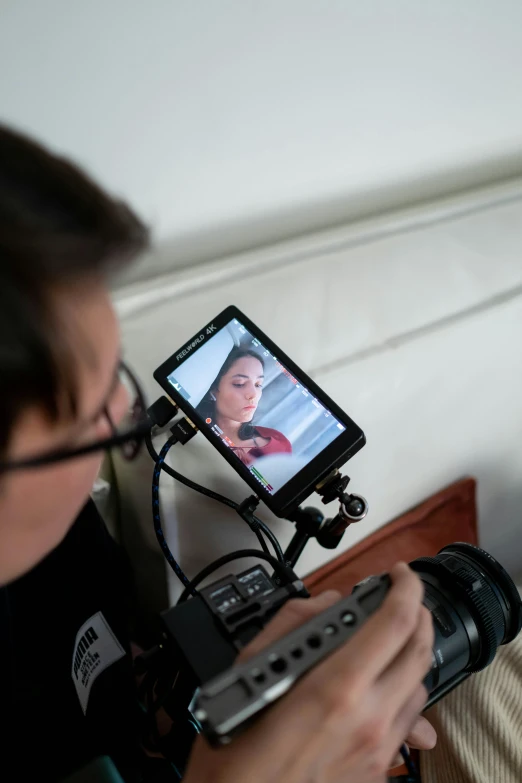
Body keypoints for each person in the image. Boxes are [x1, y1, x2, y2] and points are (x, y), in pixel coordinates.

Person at [0, 122, 436, 783]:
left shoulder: (59, 543)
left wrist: (190, 717)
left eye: (116, 374)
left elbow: (94, 689)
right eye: (90, 419)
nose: (125, 414)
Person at [195, 348, 292, 466]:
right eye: (239, 384)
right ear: (213, 388)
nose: (253, 394)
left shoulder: (277, 444)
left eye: (258, 384)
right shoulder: (193, 426)